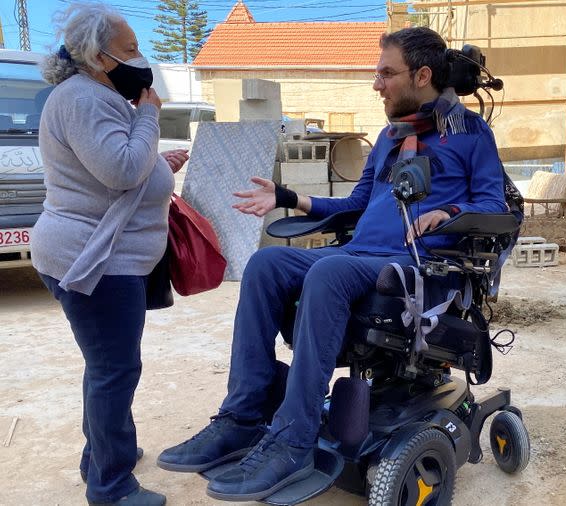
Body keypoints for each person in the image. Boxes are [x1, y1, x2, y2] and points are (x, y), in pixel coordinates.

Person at [157, 26, 507, 501]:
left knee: (328, 271)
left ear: (422, 75)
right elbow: (359, 202)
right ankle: (243, 416)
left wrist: (451, 213)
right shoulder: (390, 136)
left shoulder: (471, 135)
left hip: (422, 268)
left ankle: (293, 440)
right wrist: (288, 197)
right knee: (266, 266)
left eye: (386, 73)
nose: (376, 84)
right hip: (360, 255)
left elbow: (497, 209)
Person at [31, 3, 188, 505]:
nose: (140, 59)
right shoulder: (84, 98)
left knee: (107, 366)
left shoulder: (92, 94)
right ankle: (112, 487)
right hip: (95, 262)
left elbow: (111, 162)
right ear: (99, 58)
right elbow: (121, 169)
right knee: (114, 370)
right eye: (130, 50)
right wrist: (148, 117)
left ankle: (100, 457)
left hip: (101, 257)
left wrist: (156, 161)